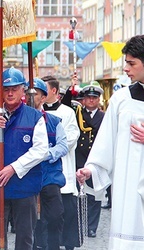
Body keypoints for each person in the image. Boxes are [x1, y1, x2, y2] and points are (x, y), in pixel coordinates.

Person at [76, 34, 144, 250]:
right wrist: (92, 168)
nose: (126, 68)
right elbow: (107, 140)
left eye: (132, 63)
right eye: (126, 62)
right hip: (129, 184)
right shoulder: (121, 99)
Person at [0, 68, 48, 249]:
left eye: (14, 88)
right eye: (6, 89)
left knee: (24, 237)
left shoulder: (34, 117)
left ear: (23, 90)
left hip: (25, 186)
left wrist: (14, 167)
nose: (10, 93)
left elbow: (41, 150)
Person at [27, 78, 68, 250]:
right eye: (28, 94)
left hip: (50, 175)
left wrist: (46, 154)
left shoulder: (53, 121)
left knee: (55, 215)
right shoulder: (20, 120)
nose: (30, 97)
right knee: (29, 220)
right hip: (27, 176)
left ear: (43, 98)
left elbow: (63, 145)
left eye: (34, 94)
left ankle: (53, 246)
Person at [42, 75, 80, 250]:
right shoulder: (36, 110)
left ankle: (69, 243)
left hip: (62, 166)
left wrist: (54, 148)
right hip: (42, 169)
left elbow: (72, 136)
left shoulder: (68, 112)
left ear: (54, 91)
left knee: (65, 210)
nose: (40, 93)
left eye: (44, 89)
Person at [75, 82, 105, 238]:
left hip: (96, 159)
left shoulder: (104, 117)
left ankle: (92, 226)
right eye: (88, 98)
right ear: (84, 99)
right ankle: (80, 223)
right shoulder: (78, 114)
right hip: (79, 158)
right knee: (79, 194)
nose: (91, 101)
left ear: (99, 99)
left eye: (94, 98)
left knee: (95, 194)